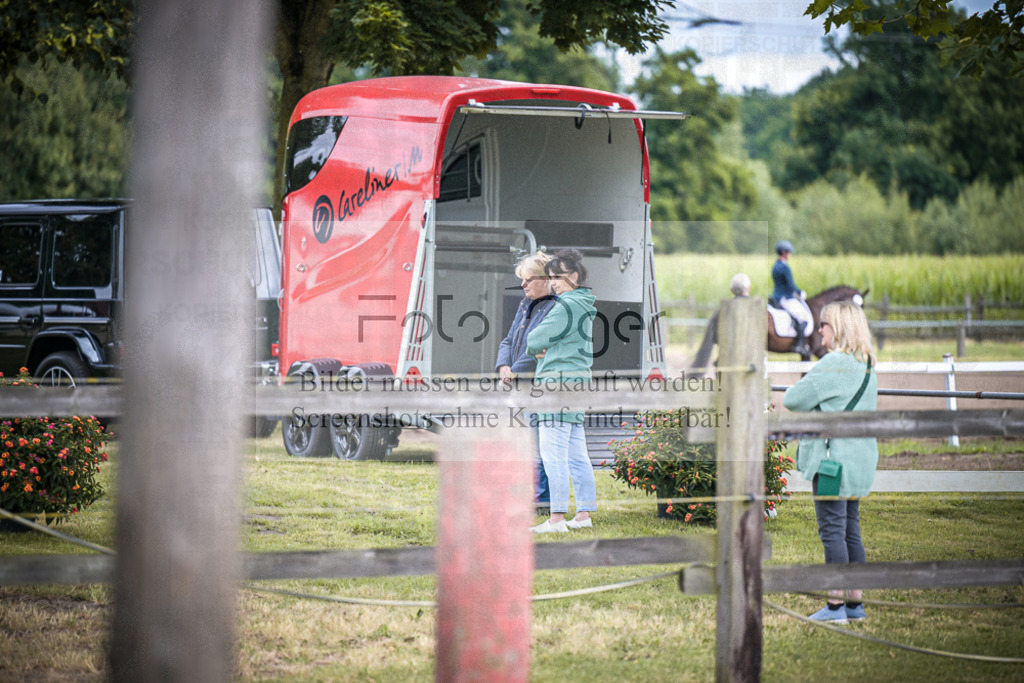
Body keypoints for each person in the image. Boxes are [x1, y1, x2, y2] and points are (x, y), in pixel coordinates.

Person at [783, 300, 879, 623]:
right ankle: (855, 604)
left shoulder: (832, 364)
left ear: (836, 328)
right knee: (851, 529)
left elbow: (793, 399)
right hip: (859, 459)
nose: (819, 329)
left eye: (823, 324)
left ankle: (835, 606)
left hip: (831, 464)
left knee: (832, 531)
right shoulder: (866, 364)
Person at [525, 248, 597, 533]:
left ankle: (556, 519)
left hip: (556, 385)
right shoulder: (584, 303)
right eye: (551, 277)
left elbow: (535, 338)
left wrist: (540, 347)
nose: (553, 282)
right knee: (577, 453)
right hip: (578, 385)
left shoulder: (566, 306)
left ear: (575, 276)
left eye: (559, 277)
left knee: (552, 453)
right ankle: (583, 514)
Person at [496, 251, 556, 509]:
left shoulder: (553, 308)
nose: (523, 285)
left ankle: (540, 501)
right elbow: (508, 340)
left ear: (546, 280)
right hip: (516, 385)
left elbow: (536, 349)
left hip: (535, 388)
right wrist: (503, 365)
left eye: (528, 280)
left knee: (536, 447)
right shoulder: (524, 305)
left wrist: (514, 372)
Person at [772, 240, 813, 357]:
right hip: (786, 298)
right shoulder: (785, 267)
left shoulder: (776, 266)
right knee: (803, 317)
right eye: (788, 252)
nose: (790, 254)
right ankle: (799, 345)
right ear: (784, 252)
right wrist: (800, 292)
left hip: (777, 296)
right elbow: (790, 285)